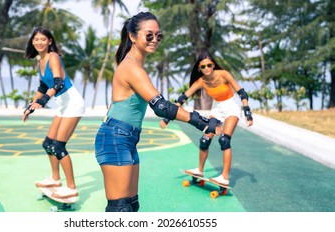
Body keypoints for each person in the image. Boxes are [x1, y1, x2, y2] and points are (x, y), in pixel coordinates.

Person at [94, 11, 222, 212]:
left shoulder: (135, 64)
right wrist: (201, 121)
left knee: (131, 206)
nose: (155, 40)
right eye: (149, 35)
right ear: (132, 36)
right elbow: (161, 106)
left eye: (158, 36)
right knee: (120, 210)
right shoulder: (131, 67)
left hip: (127, 138)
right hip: (115, 138)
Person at [160, 51, 253, 187]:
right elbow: (182, 98)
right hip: (217, 108)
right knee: (205, 140)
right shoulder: (201, 82)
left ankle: (225, 177)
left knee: (224, 140)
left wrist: (247, 112)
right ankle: (199, 170)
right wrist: (167, 118)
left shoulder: (224, 74)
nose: (206, 69)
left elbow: (241, 92)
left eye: (209, 65)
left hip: (231, 106)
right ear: (199, 68)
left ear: (213, 65)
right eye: (203, 67)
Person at [22, 27, 85, 198]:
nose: (39, 42)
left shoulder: (53, 57)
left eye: (43, 39)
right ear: (32, 42)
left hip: (72, 102)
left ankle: (71, 187)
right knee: (48, 144)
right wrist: (31, 106)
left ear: (50, 41)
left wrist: (43, 101)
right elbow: (43, 87)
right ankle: (55, 179)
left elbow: (58, 83)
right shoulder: (40, 60)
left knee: (58, 146)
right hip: (62, 104)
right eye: (36, 39)